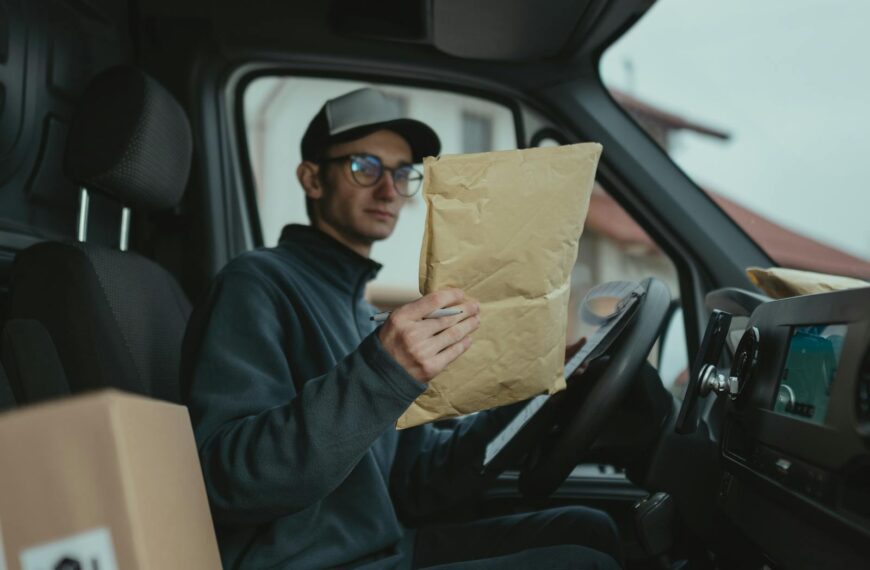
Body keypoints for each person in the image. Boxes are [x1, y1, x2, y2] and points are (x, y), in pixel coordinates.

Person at [182, 88, 622, 569]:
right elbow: (230, 480)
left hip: (386, 545)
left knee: (590, 527)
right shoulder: (257, 283)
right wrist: (382, 372)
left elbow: (414, 482)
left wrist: (537, 394)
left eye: (401, 173)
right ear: (312, 178)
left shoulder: (355, 306)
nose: (389, 189)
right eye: (364, 167)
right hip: (316, 561)